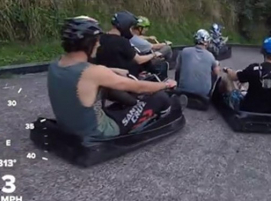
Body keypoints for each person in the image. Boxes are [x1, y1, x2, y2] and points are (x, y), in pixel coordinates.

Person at [47, 16, 181, 139]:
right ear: (88, 42)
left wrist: (112, 70)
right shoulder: (94, 72)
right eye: (97, 41)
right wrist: (165, 85)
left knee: (110, 89)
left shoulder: (55, 64)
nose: (99, 45)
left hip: (69, 125)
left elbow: (79, 74)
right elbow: (139, 87)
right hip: (97, 131)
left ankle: (131, 106)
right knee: (159, 98)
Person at [223, 36, 271, 114]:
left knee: (226, 79)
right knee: (250, 83)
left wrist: (228, 70)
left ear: (264, 51)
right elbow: (268, 84)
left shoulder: (254, 69)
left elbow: (233, 77)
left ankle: (219, 102)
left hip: (247, 109)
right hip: (269, 112)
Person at [94, 11, 163, 80]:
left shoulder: (100, 38)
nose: (131, 31)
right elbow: (139, 60)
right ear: (125, 26)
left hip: (104, 73)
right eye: (131, 28)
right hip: (124, 76)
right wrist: (153, 55)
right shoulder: (122, 42)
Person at [175, 29, 222, 99]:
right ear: (206, 42)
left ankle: (178, 87)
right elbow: (216, 72)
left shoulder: (184, 51)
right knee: (215, 69)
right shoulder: (210, 56)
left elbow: (178, 69)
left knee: (180, 68)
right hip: (202, 94)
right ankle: (208, 93)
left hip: (183, 90)